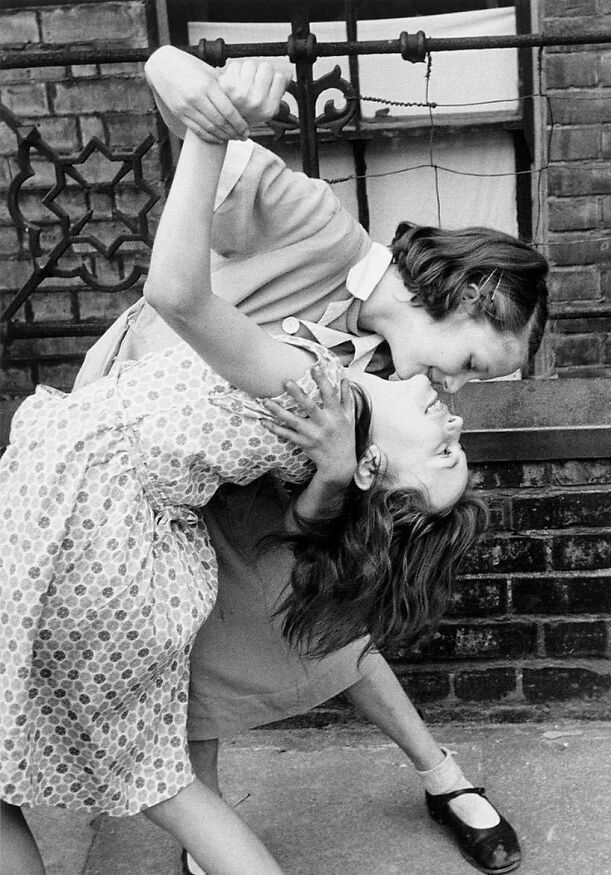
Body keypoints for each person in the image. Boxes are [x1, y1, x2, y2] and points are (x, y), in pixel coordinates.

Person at [0, 62, 489, 875]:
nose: (458, 417)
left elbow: (179, 294)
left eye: (444, 452)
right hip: (137, 559)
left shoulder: (321, 391)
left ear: (375, 464)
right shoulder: (340, 394)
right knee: (162, 785)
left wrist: (208, 133)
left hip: (80, 516)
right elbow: (312, 514)